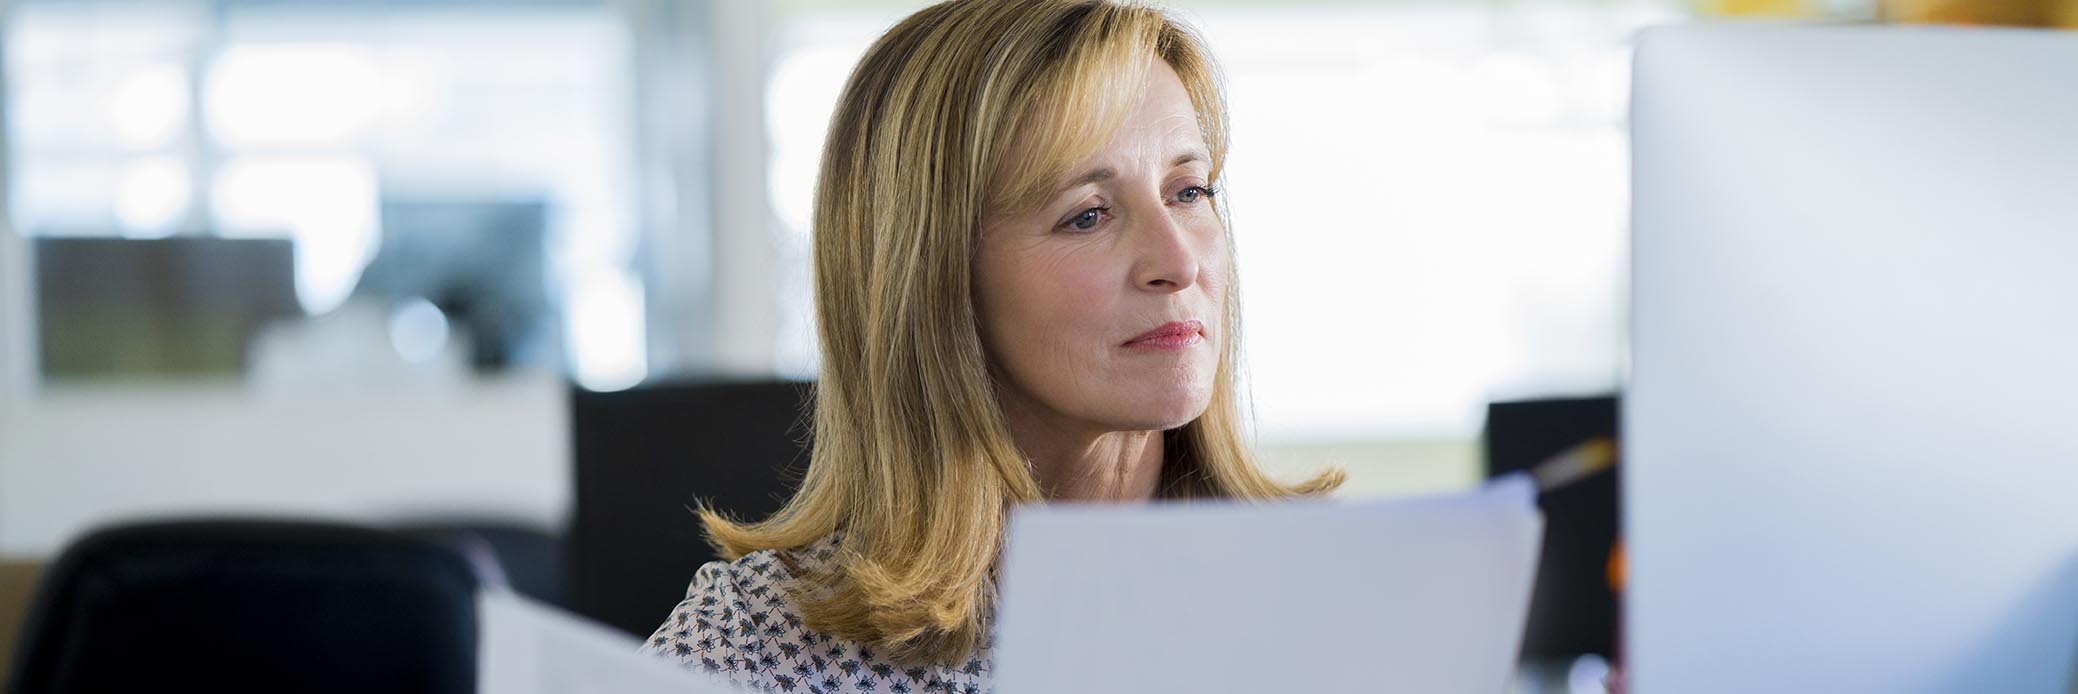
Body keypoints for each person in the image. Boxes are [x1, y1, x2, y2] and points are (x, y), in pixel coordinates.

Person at [640, 1, 1342, 691]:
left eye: (1189, 191)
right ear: (934, 278)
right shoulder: (751, 650)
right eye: (1088, 215)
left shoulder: (1335, 594)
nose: (1179, 261)